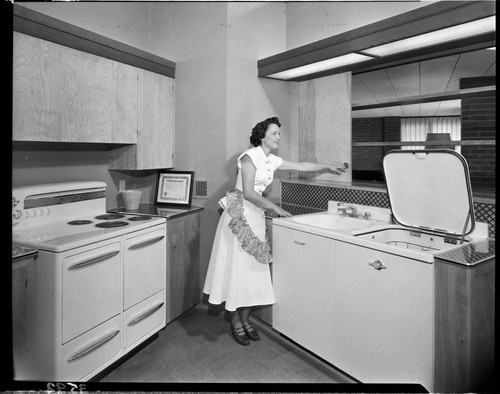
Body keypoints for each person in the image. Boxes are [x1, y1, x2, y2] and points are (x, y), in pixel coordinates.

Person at [203, 116, 347, 346]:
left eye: (279, 133)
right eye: (274, 133)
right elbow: (249, 192)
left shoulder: (271, 160)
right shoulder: (249, 157)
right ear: (262, 136)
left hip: (256, 215)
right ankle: (235, 322)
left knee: (254, 270)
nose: (278, 137)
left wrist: (328, 165)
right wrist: (276, 207)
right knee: (238, 269)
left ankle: (246, 318)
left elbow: (301, 166)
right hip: (239, 216)